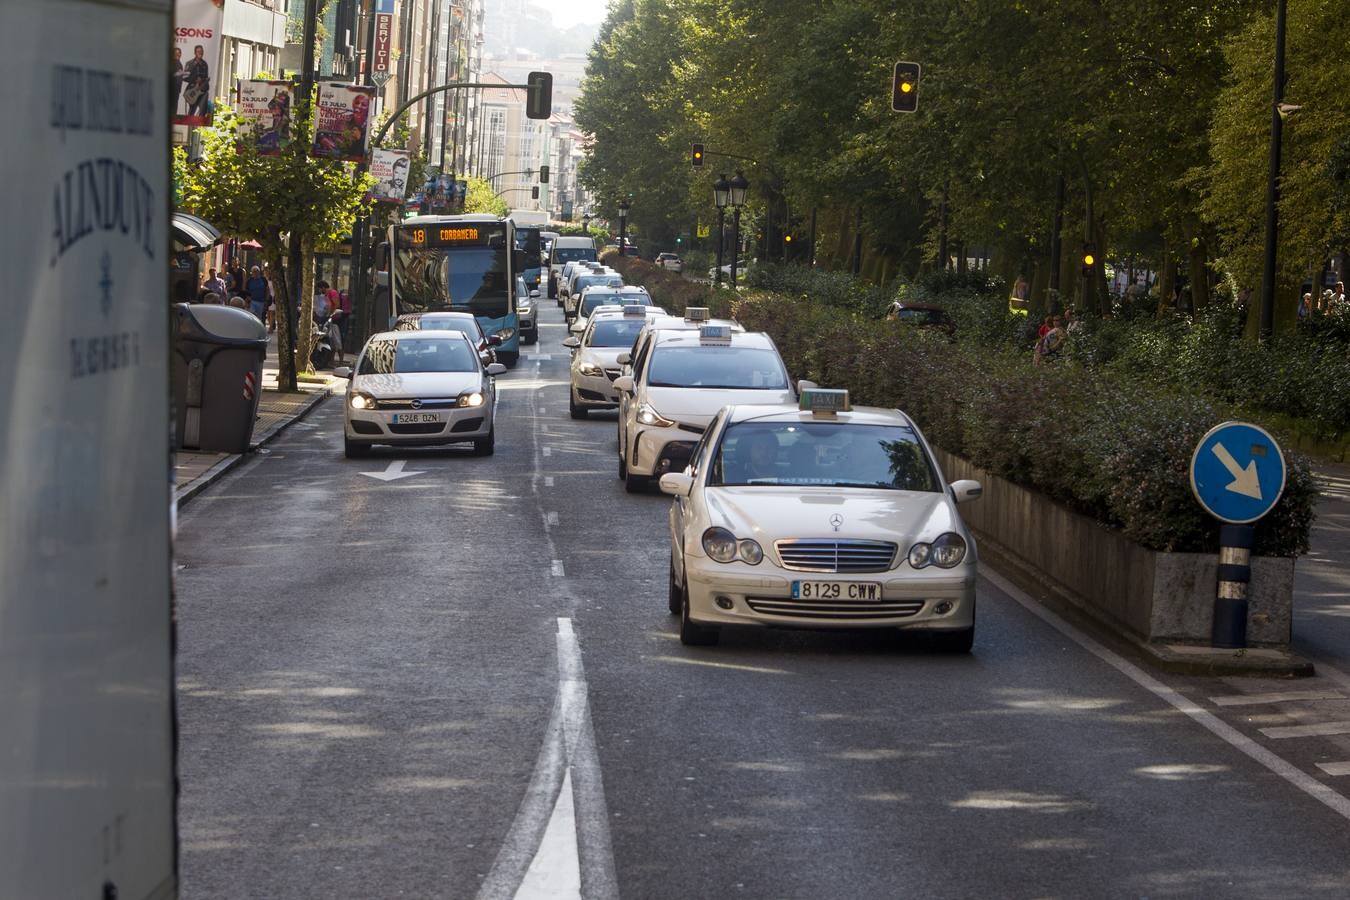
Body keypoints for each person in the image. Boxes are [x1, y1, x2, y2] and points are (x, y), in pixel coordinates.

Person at [183, 44, 210, 118]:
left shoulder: (205, 64)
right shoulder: (189, 63)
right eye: (198, 51)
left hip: (202, 91)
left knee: (203, 110)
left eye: (201, 51)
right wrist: (195, 80)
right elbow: (184, 77)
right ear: (195, 53)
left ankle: (200, 126)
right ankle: (189, 125)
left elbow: (206, 77)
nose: (200, 53)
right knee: (192, 109)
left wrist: (204, 80)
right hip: (192, 91)